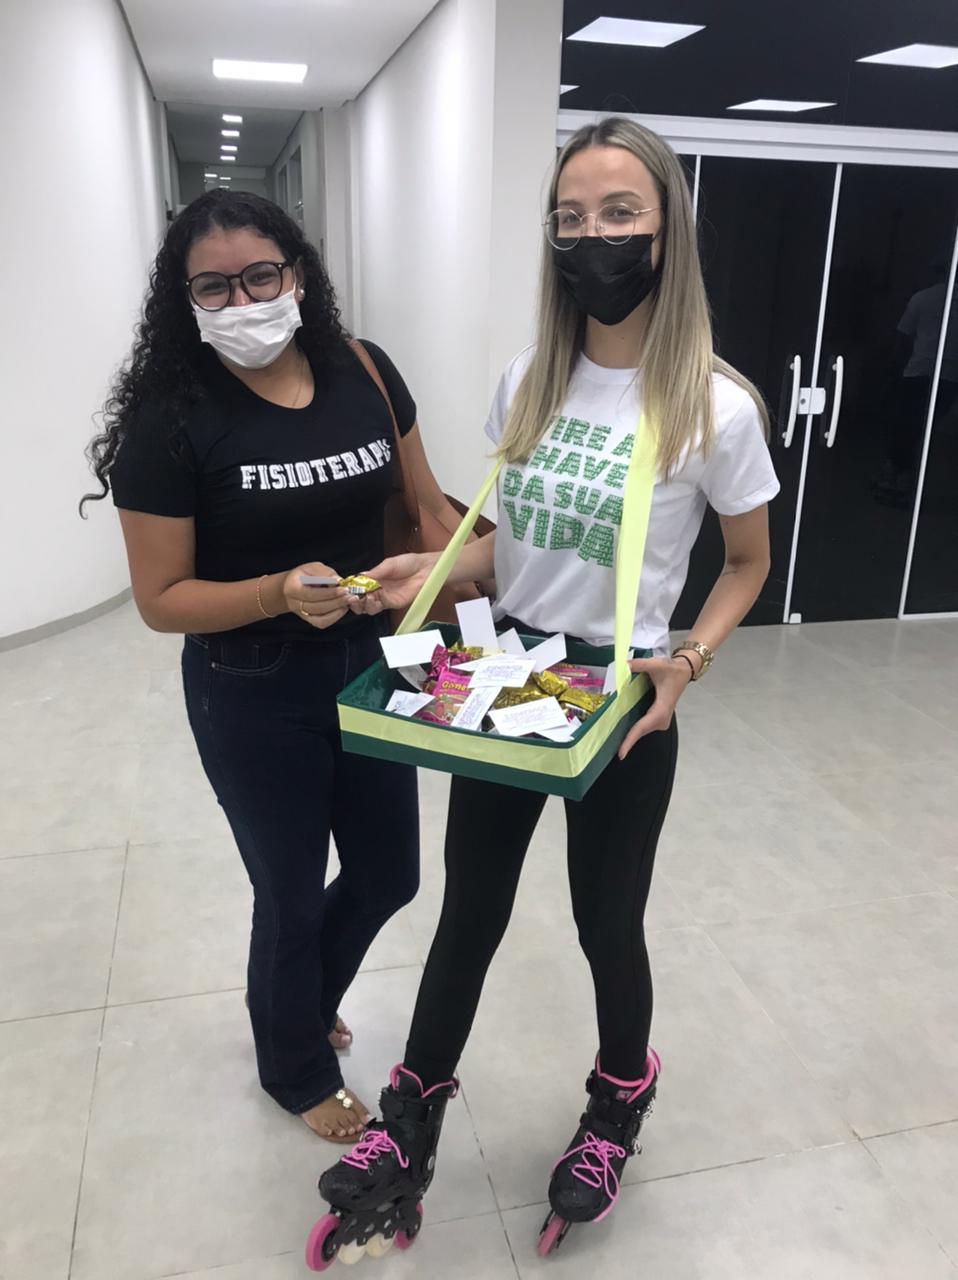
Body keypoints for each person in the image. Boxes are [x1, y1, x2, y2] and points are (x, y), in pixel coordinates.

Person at [309, 116, 780, 1263]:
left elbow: (748, 562)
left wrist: (689, 660)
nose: (590, 237)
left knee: (603, 920)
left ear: (666, 232)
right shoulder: (530, 380)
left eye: (618, 213)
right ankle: (412, 1110)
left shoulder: (713, 406)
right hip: (511, 674)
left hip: (620, 696)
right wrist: (433, 569)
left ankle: (620, 1095)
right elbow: (511, 544)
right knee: (469, 905)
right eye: (569, 218)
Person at [82, 190, 461, 1142]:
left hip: (372, 663)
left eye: (261, 275)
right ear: (183, 300)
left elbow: (426, 511)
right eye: (213, 287)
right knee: (289, 892)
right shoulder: (170, 420)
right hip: (250, 684)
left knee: (388, 873)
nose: (243, 301)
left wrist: (459, 599)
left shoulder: (364, 371)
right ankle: (293, 1066)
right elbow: (160, 598)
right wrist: (276, 593)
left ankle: (299, 1000)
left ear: (297, 273)